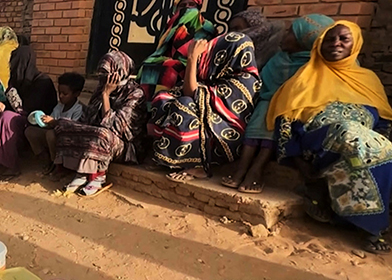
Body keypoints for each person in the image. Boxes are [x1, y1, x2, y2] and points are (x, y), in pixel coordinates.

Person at [267, 21, 392, 253]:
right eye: (329, 39)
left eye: (344, 39)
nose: (336, 43)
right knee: (350, 135)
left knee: (374, 151)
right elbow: (286, 122)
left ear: (355, 45)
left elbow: (384, 121)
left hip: (363, 142)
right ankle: (372, 229)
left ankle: (336, 208)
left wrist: (378, 141)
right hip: (319, 143)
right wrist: (297, 161)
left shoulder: (368, 80)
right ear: (319, 45)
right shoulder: (305, 78)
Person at [222, 14, 334, 193]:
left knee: (273, 126)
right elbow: (262, 82)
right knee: (257, 122)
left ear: (305, 40)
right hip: (266, 100)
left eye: (290, 33)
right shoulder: (278, 58)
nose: (284, 35)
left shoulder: (312, 65)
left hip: (290, 108)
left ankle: (256, 170)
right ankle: (241, 168)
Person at [150, 32, 261, 180]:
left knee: (185, 104)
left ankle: (197, 166)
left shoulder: (246, 80)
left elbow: (192, 93)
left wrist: (192, 58)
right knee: (164, 99)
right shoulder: (220, 75)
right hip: (209, 128)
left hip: (225, 140)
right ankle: (168, 157)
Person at [54, 52, 147, 196]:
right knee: (63, 124)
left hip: (126, 145)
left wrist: (106, 96)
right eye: (102, 74)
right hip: (97, 135)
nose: (104, 79)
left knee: (101, 134)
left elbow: (115, 127)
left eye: (108, 74)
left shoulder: (135, 94)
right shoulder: (100, 88)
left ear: (120, 72)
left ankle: (98, 177)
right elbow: (89, 118)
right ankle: (81, 174)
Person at [0, 45, 58, 183]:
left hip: (36, 120)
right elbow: (12, 102)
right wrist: (3, 104)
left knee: (7, 118)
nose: (13, 67)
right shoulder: (18, 79)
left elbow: (26, 108)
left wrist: (10, 102)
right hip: (20, 113)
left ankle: (12, 167)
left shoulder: (43, 82)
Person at [136, 0, 216, 100]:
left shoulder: (206, 27)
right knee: (147, 65)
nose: (187, 8)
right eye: (183, 5)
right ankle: (145, 104)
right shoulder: (171, 25)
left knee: (169, 68)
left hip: (192, 66)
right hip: (169, 60)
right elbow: (163, 49)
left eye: (191, 5)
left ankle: (160, 102)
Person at [25, 72, 85, 174]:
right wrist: (43, 121)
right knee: (30, 131)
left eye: (65, 94)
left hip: (67, 141)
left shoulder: (79, 109)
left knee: (50, 134)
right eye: (59, 93)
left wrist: (54, 122)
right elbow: (51, 120)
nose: (61, 96)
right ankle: (45, 159)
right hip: (53, 137)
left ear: (76, 94)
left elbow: (73, 128)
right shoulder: (59, 106)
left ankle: (57, 165)